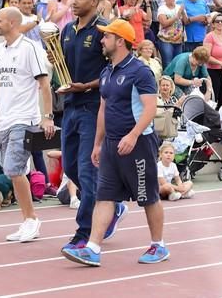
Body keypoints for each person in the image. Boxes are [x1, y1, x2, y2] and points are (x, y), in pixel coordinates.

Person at [62, 19, 167, 266]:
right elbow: (102, 109)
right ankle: (92, 248)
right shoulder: (107, 71)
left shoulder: (140, 71)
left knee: (148, 196)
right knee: (104, 195)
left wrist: (132, 135)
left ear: (120, 41)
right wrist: (97, 144)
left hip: (138, 144)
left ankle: (158, 246)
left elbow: (151, 108)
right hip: (110, 145)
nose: (101, 40)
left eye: (106, 36)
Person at [57, 0, 127, 251]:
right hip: (70, 106)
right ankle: (112, 207)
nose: (74, 2)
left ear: (95, 2)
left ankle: (84, 232)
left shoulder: (104, 31)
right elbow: (62, 66)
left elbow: (116, 70)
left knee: (87, 172)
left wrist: (86, 86)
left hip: (93, 108)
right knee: (71, 169)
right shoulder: (66, 30)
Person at [0, 7, 55, 243]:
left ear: (12, 22)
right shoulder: (0, 49)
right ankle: (27, 220)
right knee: (13, 169)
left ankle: (31, 219)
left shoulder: (30, 48)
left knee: (13, 168)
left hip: (24, 119)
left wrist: (47, 116)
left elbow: (44, 84)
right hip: (4, 121)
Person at [203, 13, 222, 107]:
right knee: (215, 96)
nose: (220, 23)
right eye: (217, 21)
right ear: (213, 24)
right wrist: (221, 63)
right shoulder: (209, 36)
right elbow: (206, 56)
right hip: (214, 70)